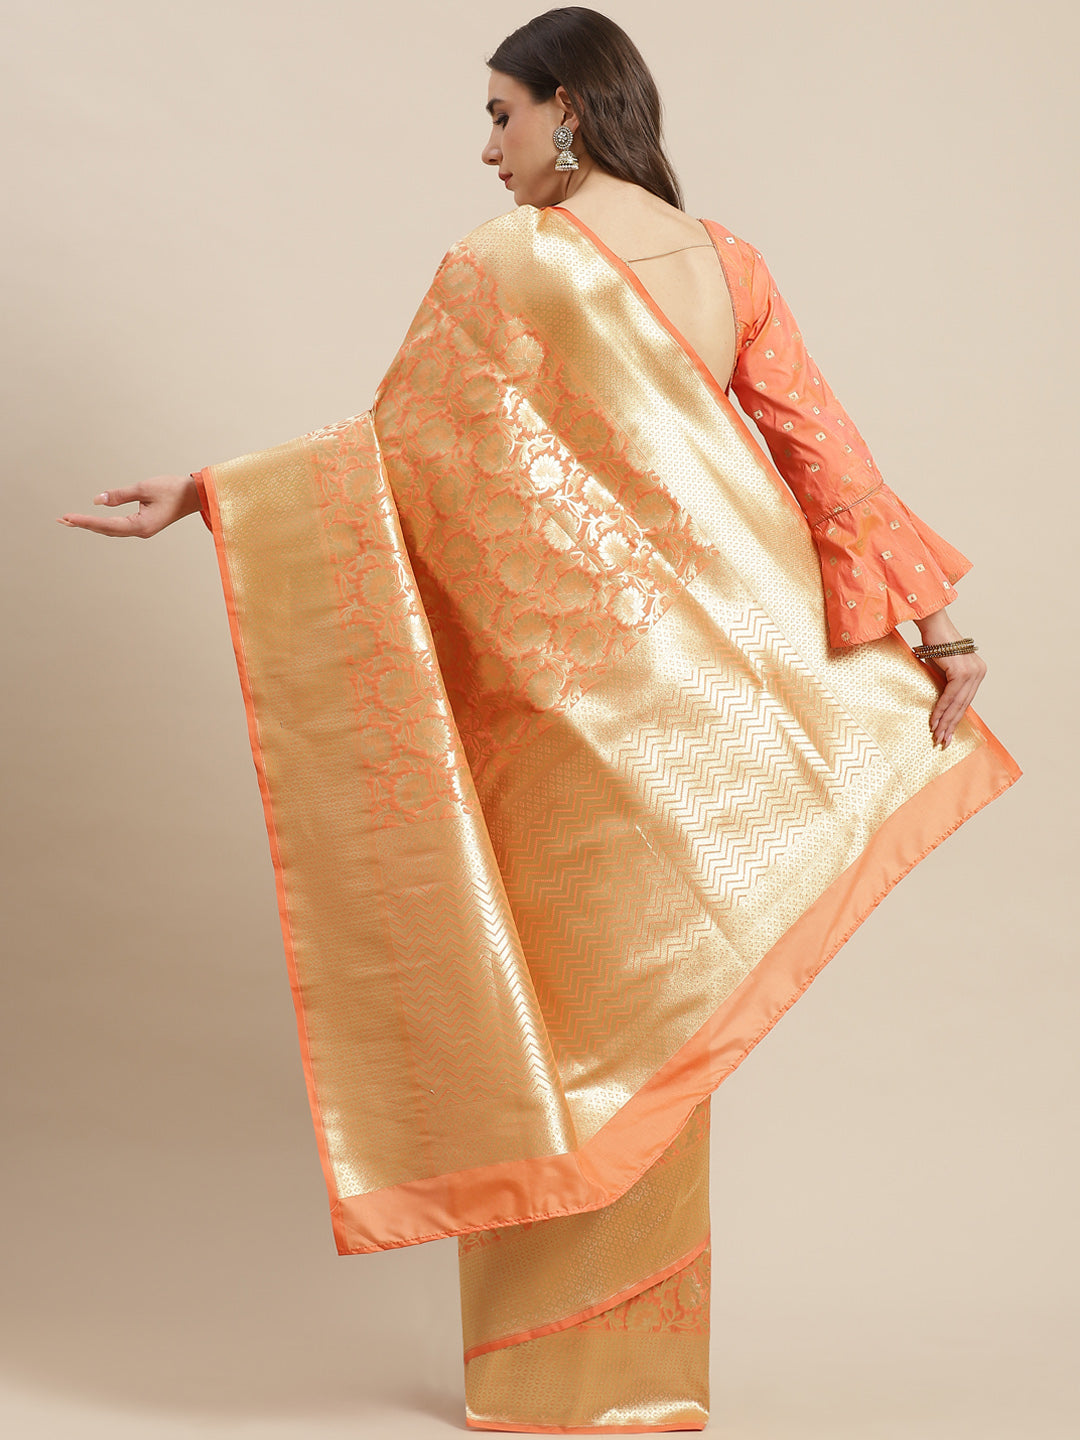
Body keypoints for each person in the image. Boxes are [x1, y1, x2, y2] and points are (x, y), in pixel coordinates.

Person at [58, 7, 1017, 1434]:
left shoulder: (503, 267)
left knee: (564, 1035)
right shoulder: (728, 261)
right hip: (705, 725)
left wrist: (209, 494)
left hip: (567, 730)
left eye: (500, 113)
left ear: (568, 108)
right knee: (661, 1025)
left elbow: (389, 463)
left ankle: (553, 1379)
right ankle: (638, 1384)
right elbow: (832, 465)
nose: (486, 147)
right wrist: (942, 639)